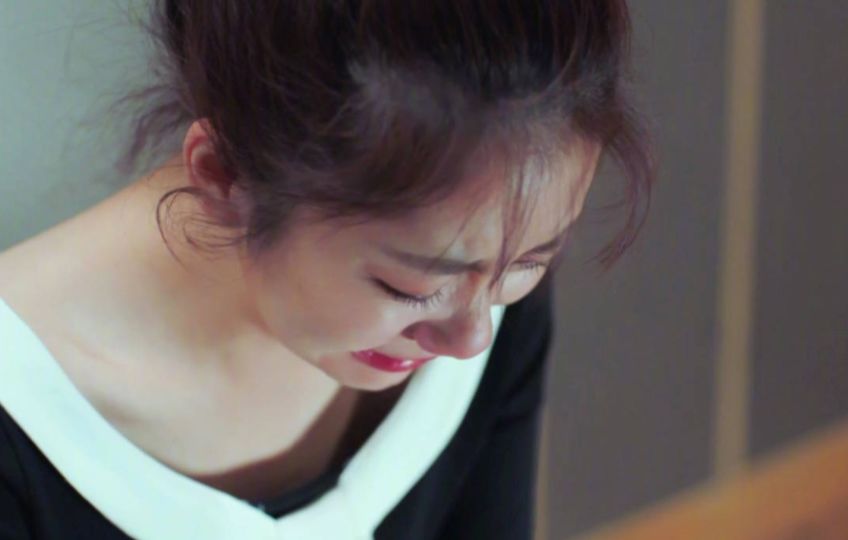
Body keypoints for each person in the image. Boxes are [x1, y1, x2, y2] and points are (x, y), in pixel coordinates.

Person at [0, 1, 653, 539]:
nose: (472, 337)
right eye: (408, 287)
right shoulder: (21, 417)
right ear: (223, 175)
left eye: (532, 260)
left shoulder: (484, 284)